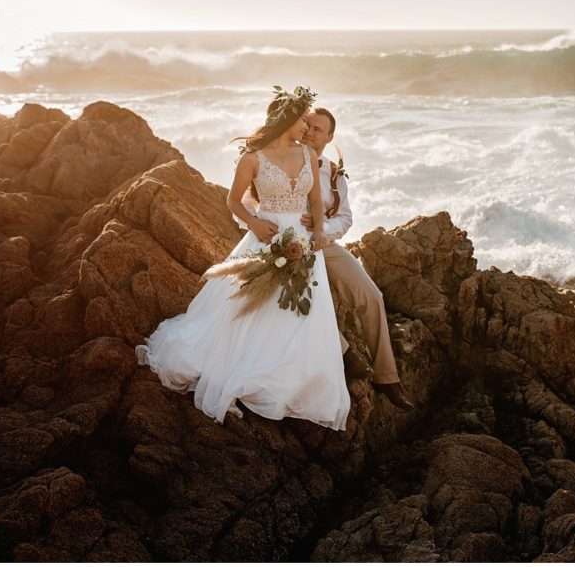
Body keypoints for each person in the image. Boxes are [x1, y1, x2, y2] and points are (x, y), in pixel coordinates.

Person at [135, 86, 350, 428]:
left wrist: (319, 235)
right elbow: (234, 201)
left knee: (301, 310)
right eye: (302, 122)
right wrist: (255, 223)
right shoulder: (253, 158)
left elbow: (314, 202)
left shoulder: (309, 156)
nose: (307, 129)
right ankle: (244, 365)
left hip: (306, 245)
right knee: (249, 307)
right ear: (288, 121)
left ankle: (297, 376)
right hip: (266, 238)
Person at [300, 108, 414, 411]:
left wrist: (324, 230)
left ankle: (387, 377)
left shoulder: (333, 172)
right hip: (293, 245)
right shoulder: (288, 160)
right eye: (308, 125)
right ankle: (346, 352)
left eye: (319, 129)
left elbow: (346, 218)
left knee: (372, 295)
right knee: (309, 297)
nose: (311, 132)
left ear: (330, 137)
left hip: (325, 245)